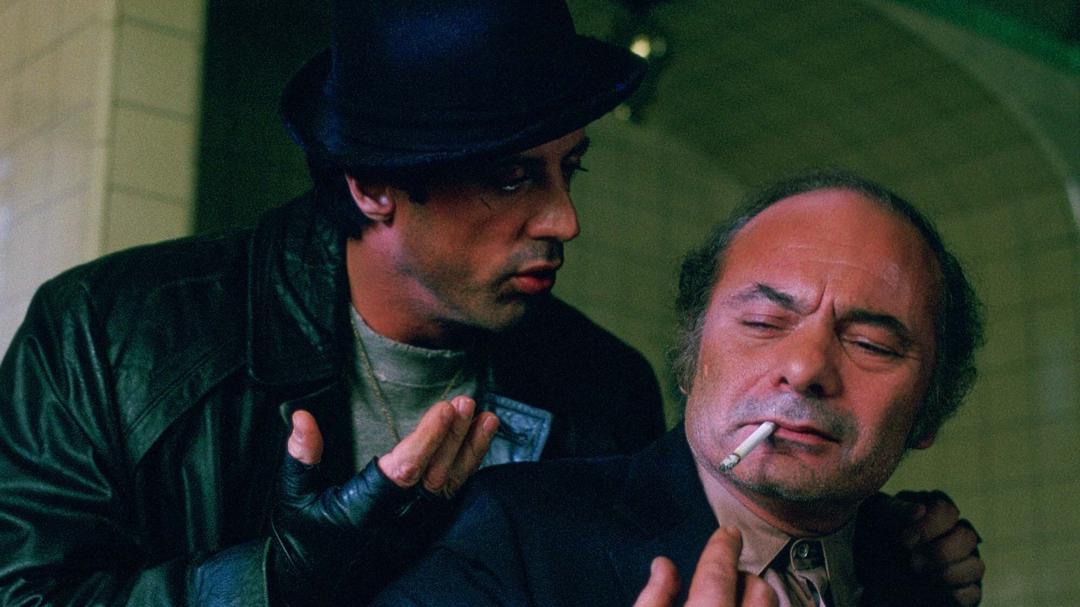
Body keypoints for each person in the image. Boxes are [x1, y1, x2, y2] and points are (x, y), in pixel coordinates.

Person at [0, 1, 979, 604]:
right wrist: (275, 581)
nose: (564, 220)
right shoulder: (109, 335)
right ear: (373, 185)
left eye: (568, 170)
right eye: (512, 178)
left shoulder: (598, 386)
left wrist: (878, 552)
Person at [372, 170, 986, 607]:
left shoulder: (919, 573)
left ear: (931, 408)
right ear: (690, 358)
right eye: (763, 322)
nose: (805, 369)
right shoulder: (510, 533)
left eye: (871, 345)